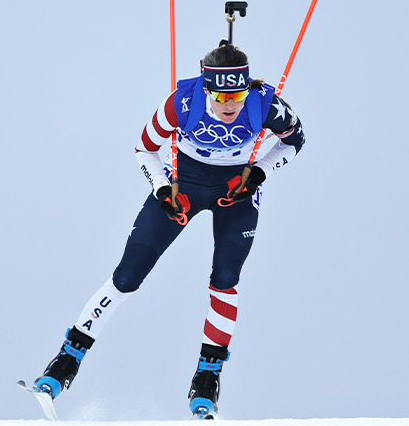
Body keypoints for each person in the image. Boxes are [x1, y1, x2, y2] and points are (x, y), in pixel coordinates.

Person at [31, 42, 305, 418]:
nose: (231, 105)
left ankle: (207, 378)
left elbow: (295, 142)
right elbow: (144, 148)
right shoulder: (181, 103)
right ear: (208, 90)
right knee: (127, 276)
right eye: (223, 95)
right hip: (184, 186)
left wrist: (258, 173)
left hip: (234, 191)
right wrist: (162, 187)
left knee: (225, 278)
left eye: (237, 94)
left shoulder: (266, 105)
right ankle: (66, 360)